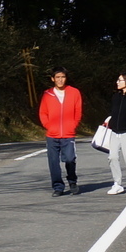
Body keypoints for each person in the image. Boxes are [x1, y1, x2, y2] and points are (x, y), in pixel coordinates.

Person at [39, 68, 83, 196]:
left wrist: (73, 125)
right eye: (57, 77)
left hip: (68, 134)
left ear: (66, 78)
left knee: (70, 159)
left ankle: (72, 181)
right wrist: (48, 126)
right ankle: (58, 187)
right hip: (52, 135)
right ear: (53, 79)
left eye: (62, 77)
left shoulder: (74, 92)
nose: (60, 80)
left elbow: (78, 111)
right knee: (53, 162)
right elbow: (43, 113)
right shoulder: (47, 94)